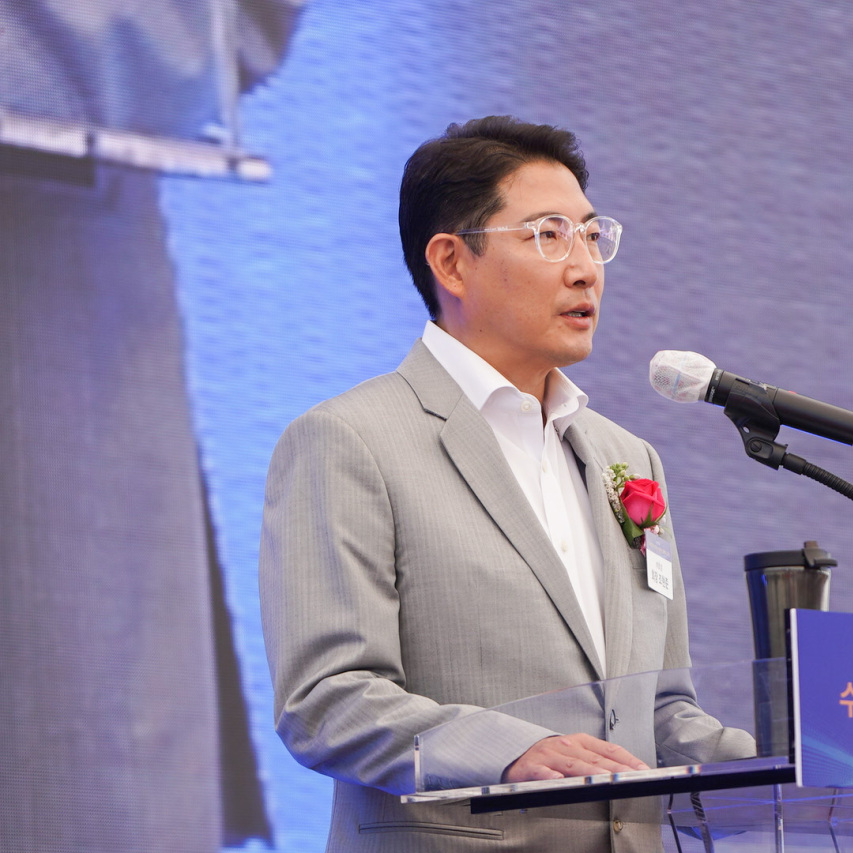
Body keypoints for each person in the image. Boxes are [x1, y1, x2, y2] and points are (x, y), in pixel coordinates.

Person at [259, 116, 753, 852]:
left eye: (593, 234)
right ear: (452, 263)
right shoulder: (350, 440)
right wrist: (507, 750)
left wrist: (785, 765)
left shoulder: (629, 460)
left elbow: (659, 710)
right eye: (550, 235)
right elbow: (327, 698)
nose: (586, 266)